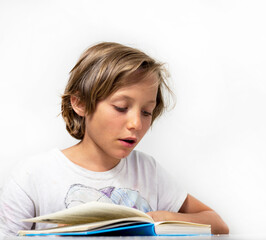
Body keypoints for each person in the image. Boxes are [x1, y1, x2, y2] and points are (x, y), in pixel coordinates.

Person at [0, 42, 229, 235]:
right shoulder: (33, 176)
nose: (136, 124)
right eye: (121, 107)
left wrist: (161, 218)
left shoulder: (148, 171)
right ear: (79, 103)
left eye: (146, 112)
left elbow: (218, 225)